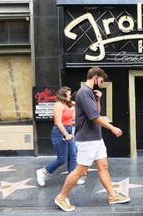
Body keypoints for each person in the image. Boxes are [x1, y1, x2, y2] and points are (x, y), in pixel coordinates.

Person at [55, 67, 130, 212]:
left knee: (103, 166)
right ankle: (61, 197)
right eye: (101, 81)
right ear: (95, 78)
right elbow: (94, 117)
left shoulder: (89, 93)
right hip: (87, 140)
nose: (101, 84)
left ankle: (112, 196)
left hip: (96, 139)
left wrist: (98, 98)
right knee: (81, 170)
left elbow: (96, 112)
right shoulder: (83, 93)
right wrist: (112, 128)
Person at [36, 86, 85, 186]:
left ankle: (73, 178)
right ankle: (42, 172)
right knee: (62, 158)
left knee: (72, 156)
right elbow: (58, 122)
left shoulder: (66, 105)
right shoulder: (58, 105)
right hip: (60, 133)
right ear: (63, 94)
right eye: (69, 94)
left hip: (68, 131)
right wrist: (66, 134)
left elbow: (69, 119)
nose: (71, 96)